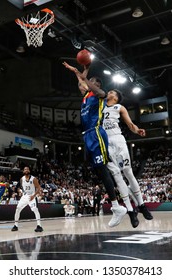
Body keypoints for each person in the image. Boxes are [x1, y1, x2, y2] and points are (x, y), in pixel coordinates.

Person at [63, 61, 127, 227]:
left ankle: (116, 206)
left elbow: (95, 88)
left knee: (103, 168)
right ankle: (116, 205)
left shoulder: (99, 95)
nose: (82, 84)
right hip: (88, 136)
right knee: (99, 170)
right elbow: (82, 82)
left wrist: (85, 75)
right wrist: (78, 71)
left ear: (95, 84)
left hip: (97, 132)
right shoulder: (85, 96)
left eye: (88, 81)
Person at [102, 89, 153, 225]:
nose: (108, 92)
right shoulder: (100, 105)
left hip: (118, 140)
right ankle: (130, 211)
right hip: (106, 143)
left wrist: (137, 130)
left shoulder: (119, 107)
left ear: (116, 97)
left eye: (111, 92)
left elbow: (130, 124)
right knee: (117, 176)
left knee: (128, 172)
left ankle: (142, 205)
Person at [11, 166, 43, 232]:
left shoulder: (33, 179)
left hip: (32, 196)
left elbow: (39, 188)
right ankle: (15, 225)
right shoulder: (21, 179)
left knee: (35, 210)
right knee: (18, 209)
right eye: (25, 169)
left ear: (29, 171)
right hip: (25, 196)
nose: (26, 170)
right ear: (23, 171)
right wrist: (20, 191)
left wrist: (33, 196)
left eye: (27, 169)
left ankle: (39, 226)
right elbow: (19, 188)